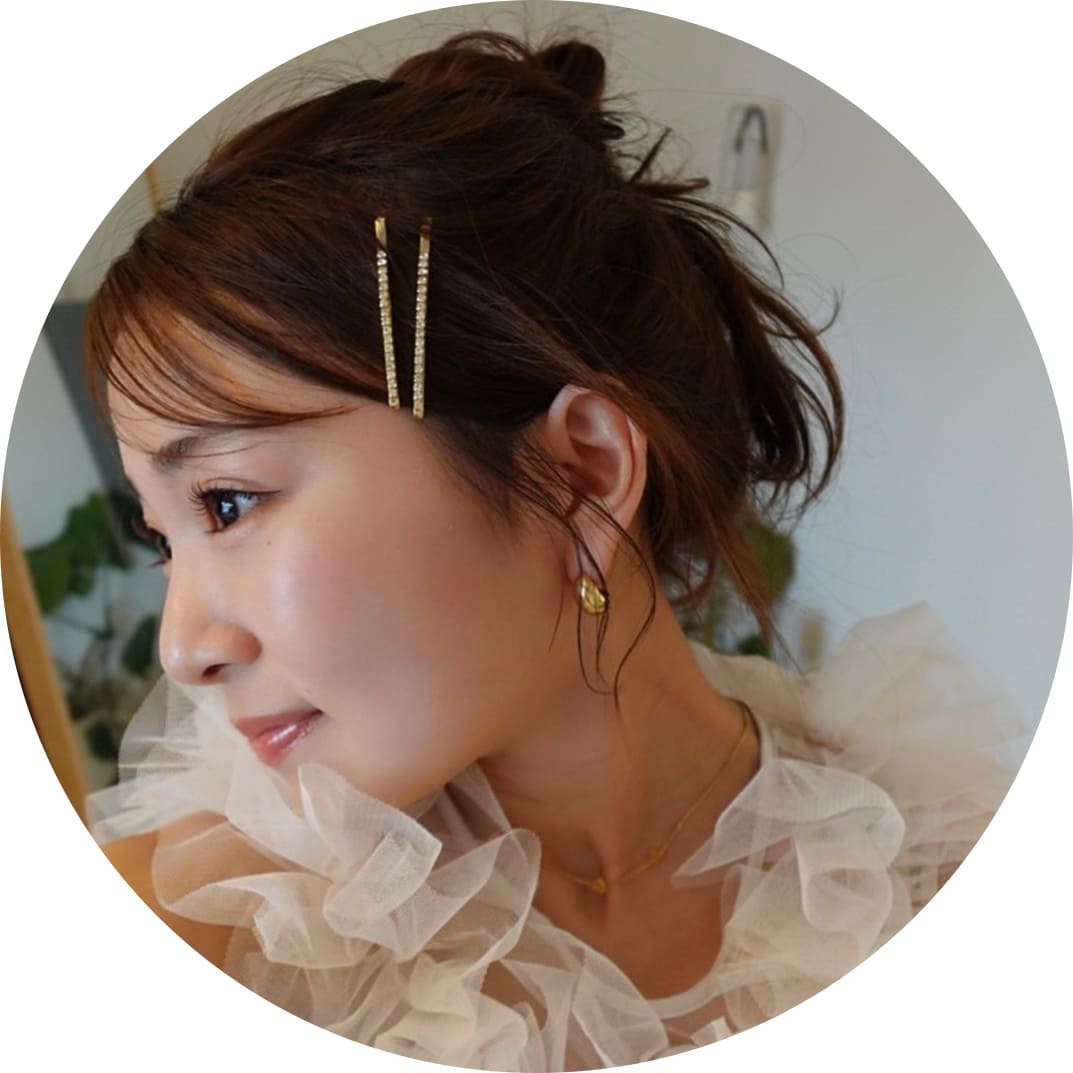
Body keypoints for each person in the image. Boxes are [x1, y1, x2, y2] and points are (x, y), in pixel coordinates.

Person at [84, 30, 1028, 1071]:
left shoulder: (941, 873)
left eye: (225, 502)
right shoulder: (187, 938)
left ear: (582, 471)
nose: (183, 648)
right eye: (162, 537)